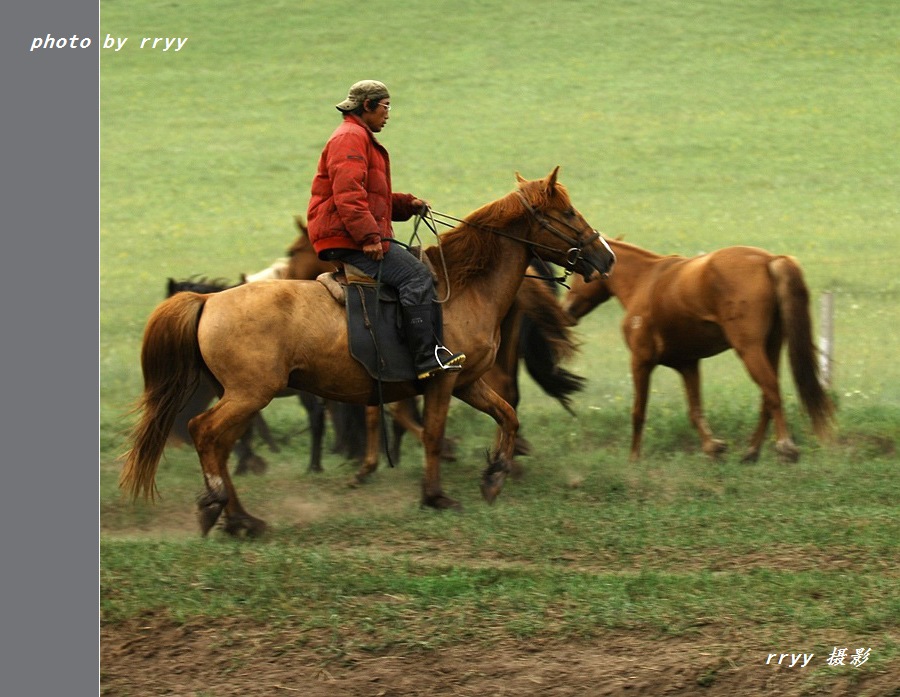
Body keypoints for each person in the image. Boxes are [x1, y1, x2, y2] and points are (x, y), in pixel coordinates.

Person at [307, 79, 465, 380]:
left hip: (349, 232)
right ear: (368, 106)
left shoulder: (359, 137)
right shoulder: (350, 138)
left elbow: (369, 197)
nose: (388, 114)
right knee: (416, 275)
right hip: (347, 237)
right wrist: (369, 237)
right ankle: (425, 358)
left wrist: (406, 204)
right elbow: (349, 194)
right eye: (385, 106)